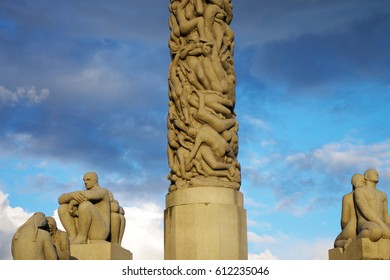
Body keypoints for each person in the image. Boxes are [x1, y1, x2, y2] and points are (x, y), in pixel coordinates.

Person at [58, 172, 111, 245]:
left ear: (95, 180)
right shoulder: (82, 192)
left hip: (100, 232)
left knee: (85, 205)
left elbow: (87, 196)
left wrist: (72, 202)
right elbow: (60, 200)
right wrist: (72, 194)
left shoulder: (103, 192)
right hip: (84, 228)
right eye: (84, 180)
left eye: (88, 179)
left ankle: (82, 238)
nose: (85, 182)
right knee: (62, 208)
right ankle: (73, 237)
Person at [354, 168, 390, 241]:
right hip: (365, 223)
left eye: (377, 173)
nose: (377, 174)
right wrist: (382, 225)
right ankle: (354, 241)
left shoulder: (383, 194)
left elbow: (386, 215)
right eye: (373, 172)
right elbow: (365, 210)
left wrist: (387, 225)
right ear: (366, 177)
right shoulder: (360, 191)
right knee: (376, 231)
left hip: (381, 223)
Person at [334, 174, 363, 248]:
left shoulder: (347, 197)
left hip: (352, 228)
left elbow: (344, 220)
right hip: (364, 227)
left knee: (337, 242)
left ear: (353, 183)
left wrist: (344, 229)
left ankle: (347, 243)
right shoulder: (368, 195)